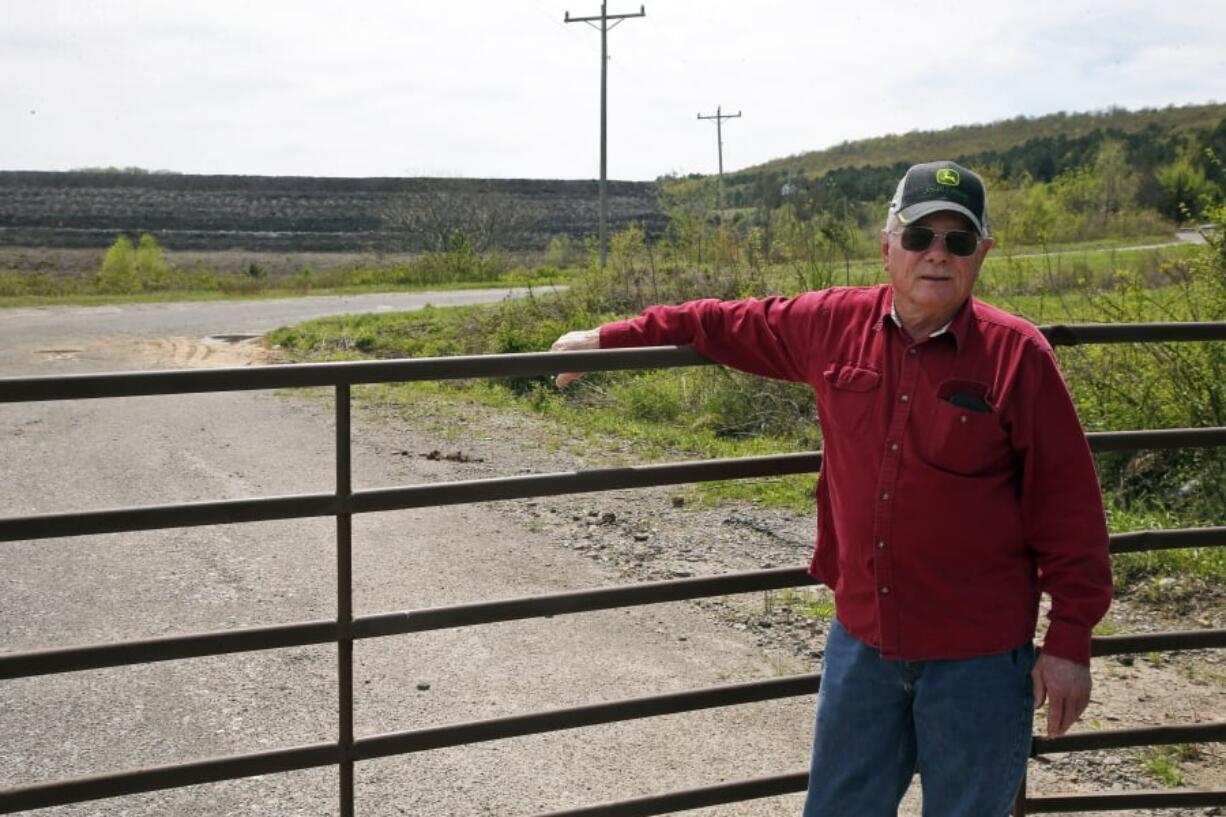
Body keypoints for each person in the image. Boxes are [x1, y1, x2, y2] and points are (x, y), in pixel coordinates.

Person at [549, 160, 1113, 816]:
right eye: (919, 236)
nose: (937, 254)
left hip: (980, 658)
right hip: (864, 642)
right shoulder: (831, 324)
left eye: (958, 241)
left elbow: (1069, 508)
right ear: (886, 245)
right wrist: (611, 338)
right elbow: (723, 323)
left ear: (981, 253)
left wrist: (1071, 639)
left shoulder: (1018, 357)